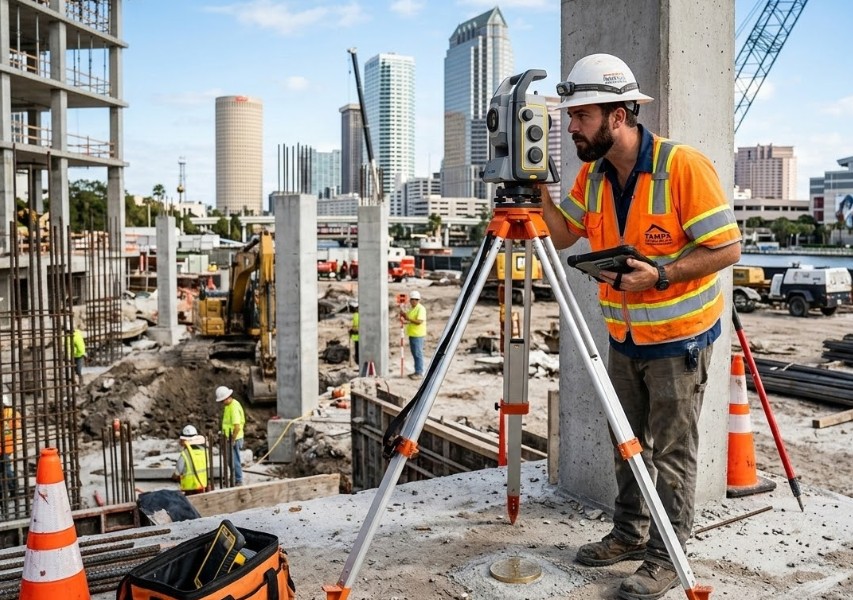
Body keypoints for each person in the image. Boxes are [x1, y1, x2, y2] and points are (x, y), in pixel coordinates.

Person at [540, 54, 741, 600]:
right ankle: (630, 533)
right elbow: (562, 236)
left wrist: (662, 275)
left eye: (581, 116)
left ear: (619, 115)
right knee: (627, 442)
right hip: (624, 336)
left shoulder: (683, 167)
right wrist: (533, 188)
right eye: (570, 116)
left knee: (673, 449)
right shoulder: (593, 174)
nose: (572, 127)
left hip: (678, 340)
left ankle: (668, 554)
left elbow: (728, 247)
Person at [215, 385, 245, 486]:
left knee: (234, 460)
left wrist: (232, 439)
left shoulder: (233, 407)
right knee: (230, 459)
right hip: (229, 437)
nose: (222, 403)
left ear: (227, 398)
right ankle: (233, 478)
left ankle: (238, 480)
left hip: (235, 438)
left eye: (223, 400)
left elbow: (237, 426)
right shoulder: (229, 406)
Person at [172, 424, 208, 495]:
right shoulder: (204, 451)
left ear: (184, 439)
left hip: (190, 489)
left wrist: (173, 477)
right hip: (202, 486)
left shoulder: (184, 454)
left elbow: (177, 473)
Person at [399, 290, 427, 379]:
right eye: (411, 300)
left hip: (418, 335)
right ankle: (416, 371)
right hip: (412, 334)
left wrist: (408, 318)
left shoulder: (420, 309)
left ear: (417, 300)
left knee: (418, 354)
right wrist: (404, 316)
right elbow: (410, 319)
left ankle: (419, 373)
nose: (412, 301)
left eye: (414, 300)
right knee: (415, 353)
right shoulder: (412, 309)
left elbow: (419, 321)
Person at [0, 395, 19, 501]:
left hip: (5, 447)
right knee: (4, 469)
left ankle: (13, 491)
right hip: (6, 447)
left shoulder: (9, 414)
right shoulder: (12, 413)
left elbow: (10, 430)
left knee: (6, 469)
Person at [348, 299, 359, 365]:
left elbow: (357, 328)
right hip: (356, 337)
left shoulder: (357, 315)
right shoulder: (356, 315)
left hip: (358, 337)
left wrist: (352, 330)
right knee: (357, 352)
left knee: (358, 353)